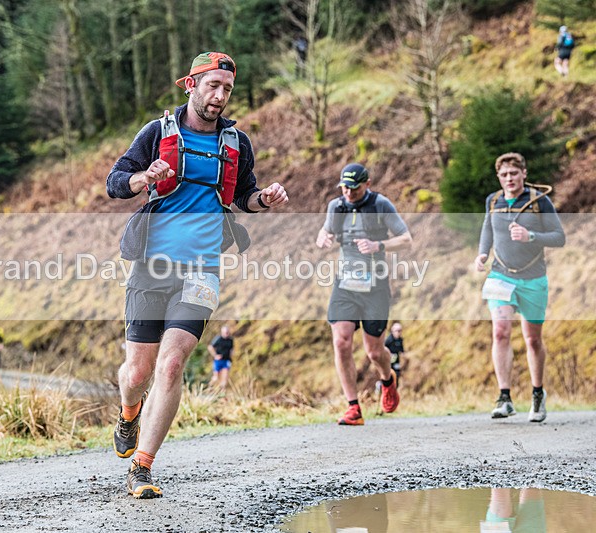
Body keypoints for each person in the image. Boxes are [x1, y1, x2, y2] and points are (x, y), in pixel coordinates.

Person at [106, 51, 288, 499]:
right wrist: (143, 177)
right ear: (191, 85)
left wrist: (263, 199)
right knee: (137, 371)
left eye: (227, 89)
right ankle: (130, 412)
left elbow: (242, 194)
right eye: (213, 86)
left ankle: (143, 469)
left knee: (171, 364)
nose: (220, 96)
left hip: (203, 269)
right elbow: (115, 180)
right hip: (152, 266)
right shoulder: (158, 132)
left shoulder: (236, 142)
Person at [316, 163, 412, 426]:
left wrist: (378, 245)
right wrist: (322, 238)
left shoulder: (381, 205)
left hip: (375, 286)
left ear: (367, 184)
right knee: (341, 342)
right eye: (344, 187)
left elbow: (406, 239)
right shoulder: (337, 206)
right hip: (345, 284)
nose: (348, 192)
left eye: (354, 188)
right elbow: (327, 232)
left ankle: (388, 380)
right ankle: (353, 407)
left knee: (374, 351)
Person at [474, 152, 565, 422]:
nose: (509, 178)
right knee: (500, 332)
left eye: (514, 173)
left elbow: (559, 237)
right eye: (504, 174)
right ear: (498, 178)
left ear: (524, 173)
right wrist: (482, 254)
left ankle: (537, 393)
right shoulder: (493, 201)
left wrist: (531, 236)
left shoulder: (539, 201)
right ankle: (505, 397)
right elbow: (487, 230)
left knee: (532, 339)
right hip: (500, 275)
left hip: (533, 278)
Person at [208, 325, 234, 391]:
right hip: (218, 361)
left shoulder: (230, 340)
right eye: (225, 332)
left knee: (224, 378)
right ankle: (209, 388)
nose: (226, 334)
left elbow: (231, 349)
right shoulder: (218, 339)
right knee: (216, 377)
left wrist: (231, 356)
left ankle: (222, 393)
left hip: (226, 360)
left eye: (227, 332)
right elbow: (210, 347)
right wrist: (215, 355)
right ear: (222, 332)